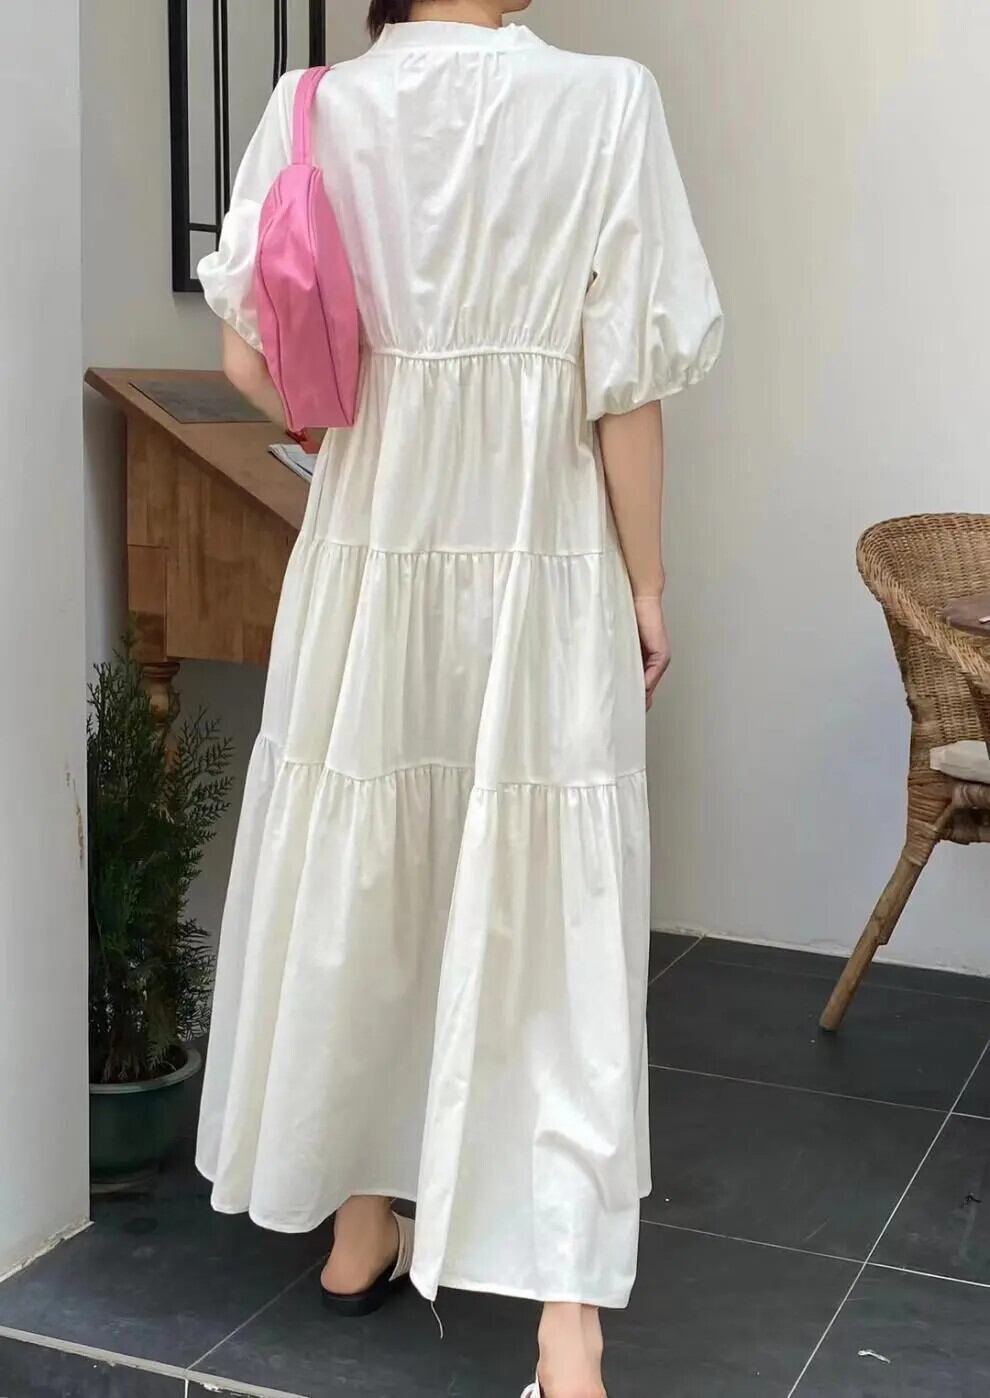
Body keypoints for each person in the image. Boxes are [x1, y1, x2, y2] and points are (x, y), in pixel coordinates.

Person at [195, 2, 721, 1394]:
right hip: (537, 560)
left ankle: (359, 1224)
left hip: (369, 562)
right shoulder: (606, 101)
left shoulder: (314, 103)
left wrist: (381, 424)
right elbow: (627, 388)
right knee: (553, 911)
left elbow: (252, 356)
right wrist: (648, 583)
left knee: (373, 874)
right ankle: (565, 1322)